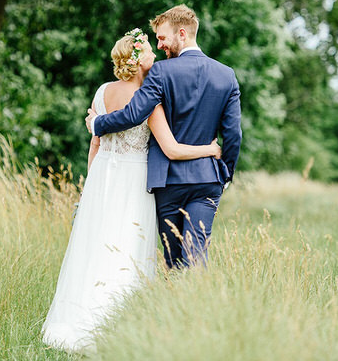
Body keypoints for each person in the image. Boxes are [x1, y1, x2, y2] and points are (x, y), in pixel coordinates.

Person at [42, 29, 221, 353]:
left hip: (101, 180)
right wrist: (209, 149)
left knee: (95, 246)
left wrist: (88, 188)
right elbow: (172, 148)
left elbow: (94, 146)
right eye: (150, 51)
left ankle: (78, 321)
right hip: (133, 182)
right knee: (126, 249)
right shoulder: (148, 99)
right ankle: (114, 327)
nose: (154, 55)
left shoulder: (101, 93)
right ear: (138, 59)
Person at [86, 4, 241, 269]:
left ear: (182, 34)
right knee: (197, 256)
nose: (159, 46)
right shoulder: (226, 75)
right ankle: (192, 306)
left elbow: (133, 114)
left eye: (162, 38)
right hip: (207, 179)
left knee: (174, 260)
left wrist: (98, 123)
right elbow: (233, 134)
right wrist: (225, 173)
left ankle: (180, 305)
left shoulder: (161, 72)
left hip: (168, 181)